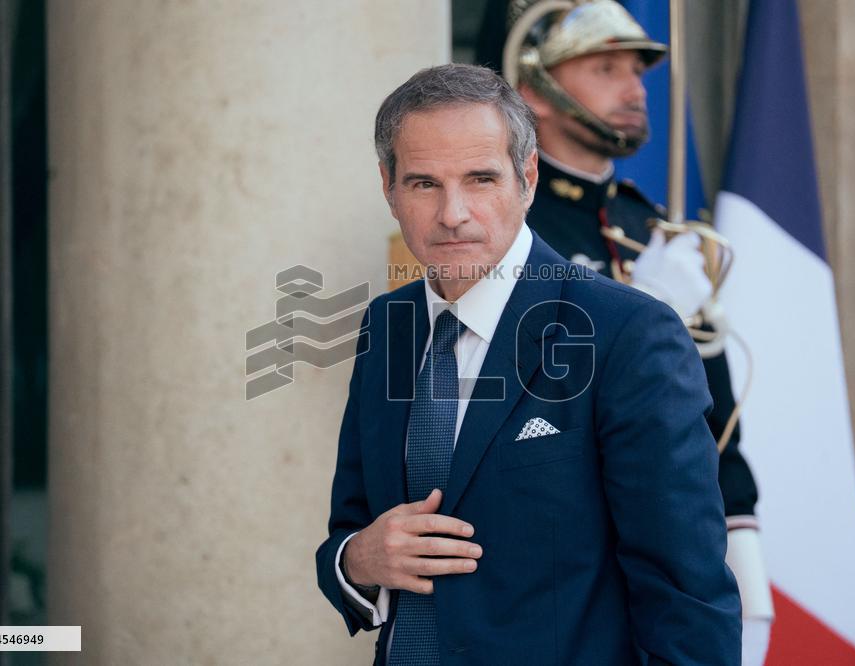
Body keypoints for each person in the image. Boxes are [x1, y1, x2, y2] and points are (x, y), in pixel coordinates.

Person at [316, 63, 740, 665]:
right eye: (423, 184)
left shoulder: (627, 334)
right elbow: (351, 529)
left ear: (528, 176)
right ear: (388, 187)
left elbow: (686, 594)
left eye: (481, 179)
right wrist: (355, 559)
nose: (453, 213)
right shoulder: (387, 326)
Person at [478, 3, 774, 663]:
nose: (636, 86)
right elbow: (491, 391)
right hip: (548, 561)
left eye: (637, 68)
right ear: (536, 92)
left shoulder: (655, 227)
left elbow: (711, 409)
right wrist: (642, 311)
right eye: (606, 67)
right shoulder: (497, 228)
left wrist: (740, 532)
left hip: (670, 552)